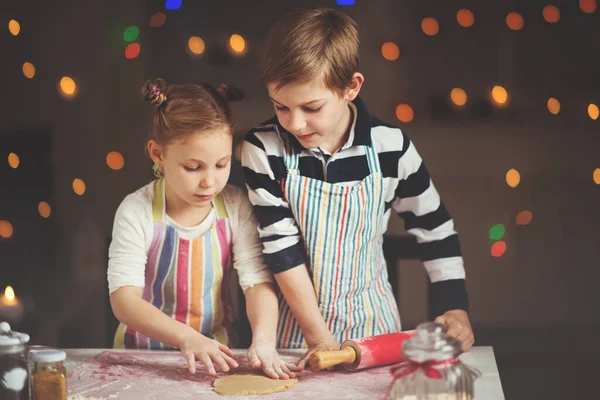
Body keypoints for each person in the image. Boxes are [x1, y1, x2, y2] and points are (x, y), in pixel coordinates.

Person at [241, 8, 475, 369]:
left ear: (351, 87)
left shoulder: (390, 147)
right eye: (281, 107)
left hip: (374, 336)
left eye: (311, 106)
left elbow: (436, 231)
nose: (295, 122)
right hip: (293, 339)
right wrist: (319, 339)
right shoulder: (263, 148)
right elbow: (281, 249)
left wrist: (454, 308)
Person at [108, 78, 298, 379]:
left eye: (221, 165)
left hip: (216, 358)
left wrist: (264, 339)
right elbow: (124, 301)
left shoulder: (235, 206)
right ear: (158, 154)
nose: (210, 181)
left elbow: (256, 283)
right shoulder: (137, 211)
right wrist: (187, 338)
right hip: (140, 359)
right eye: (193, 167)